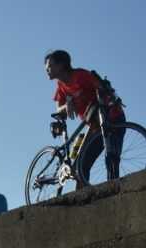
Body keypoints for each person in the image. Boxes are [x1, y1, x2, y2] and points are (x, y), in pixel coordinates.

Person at [44, 49, 125, 187]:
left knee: (112, 155)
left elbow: (101, 88)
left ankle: (113, 188)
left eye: (50, 65)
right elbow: (59, 109)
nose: (47, 69)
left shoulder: (81, 75)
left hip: (113, 117)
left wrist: (106, 97)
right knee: (82, 163)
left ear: (62, 64)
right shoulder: (61, 86)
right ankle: (81, 197)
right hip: (94, 126)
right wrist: (68, 103)